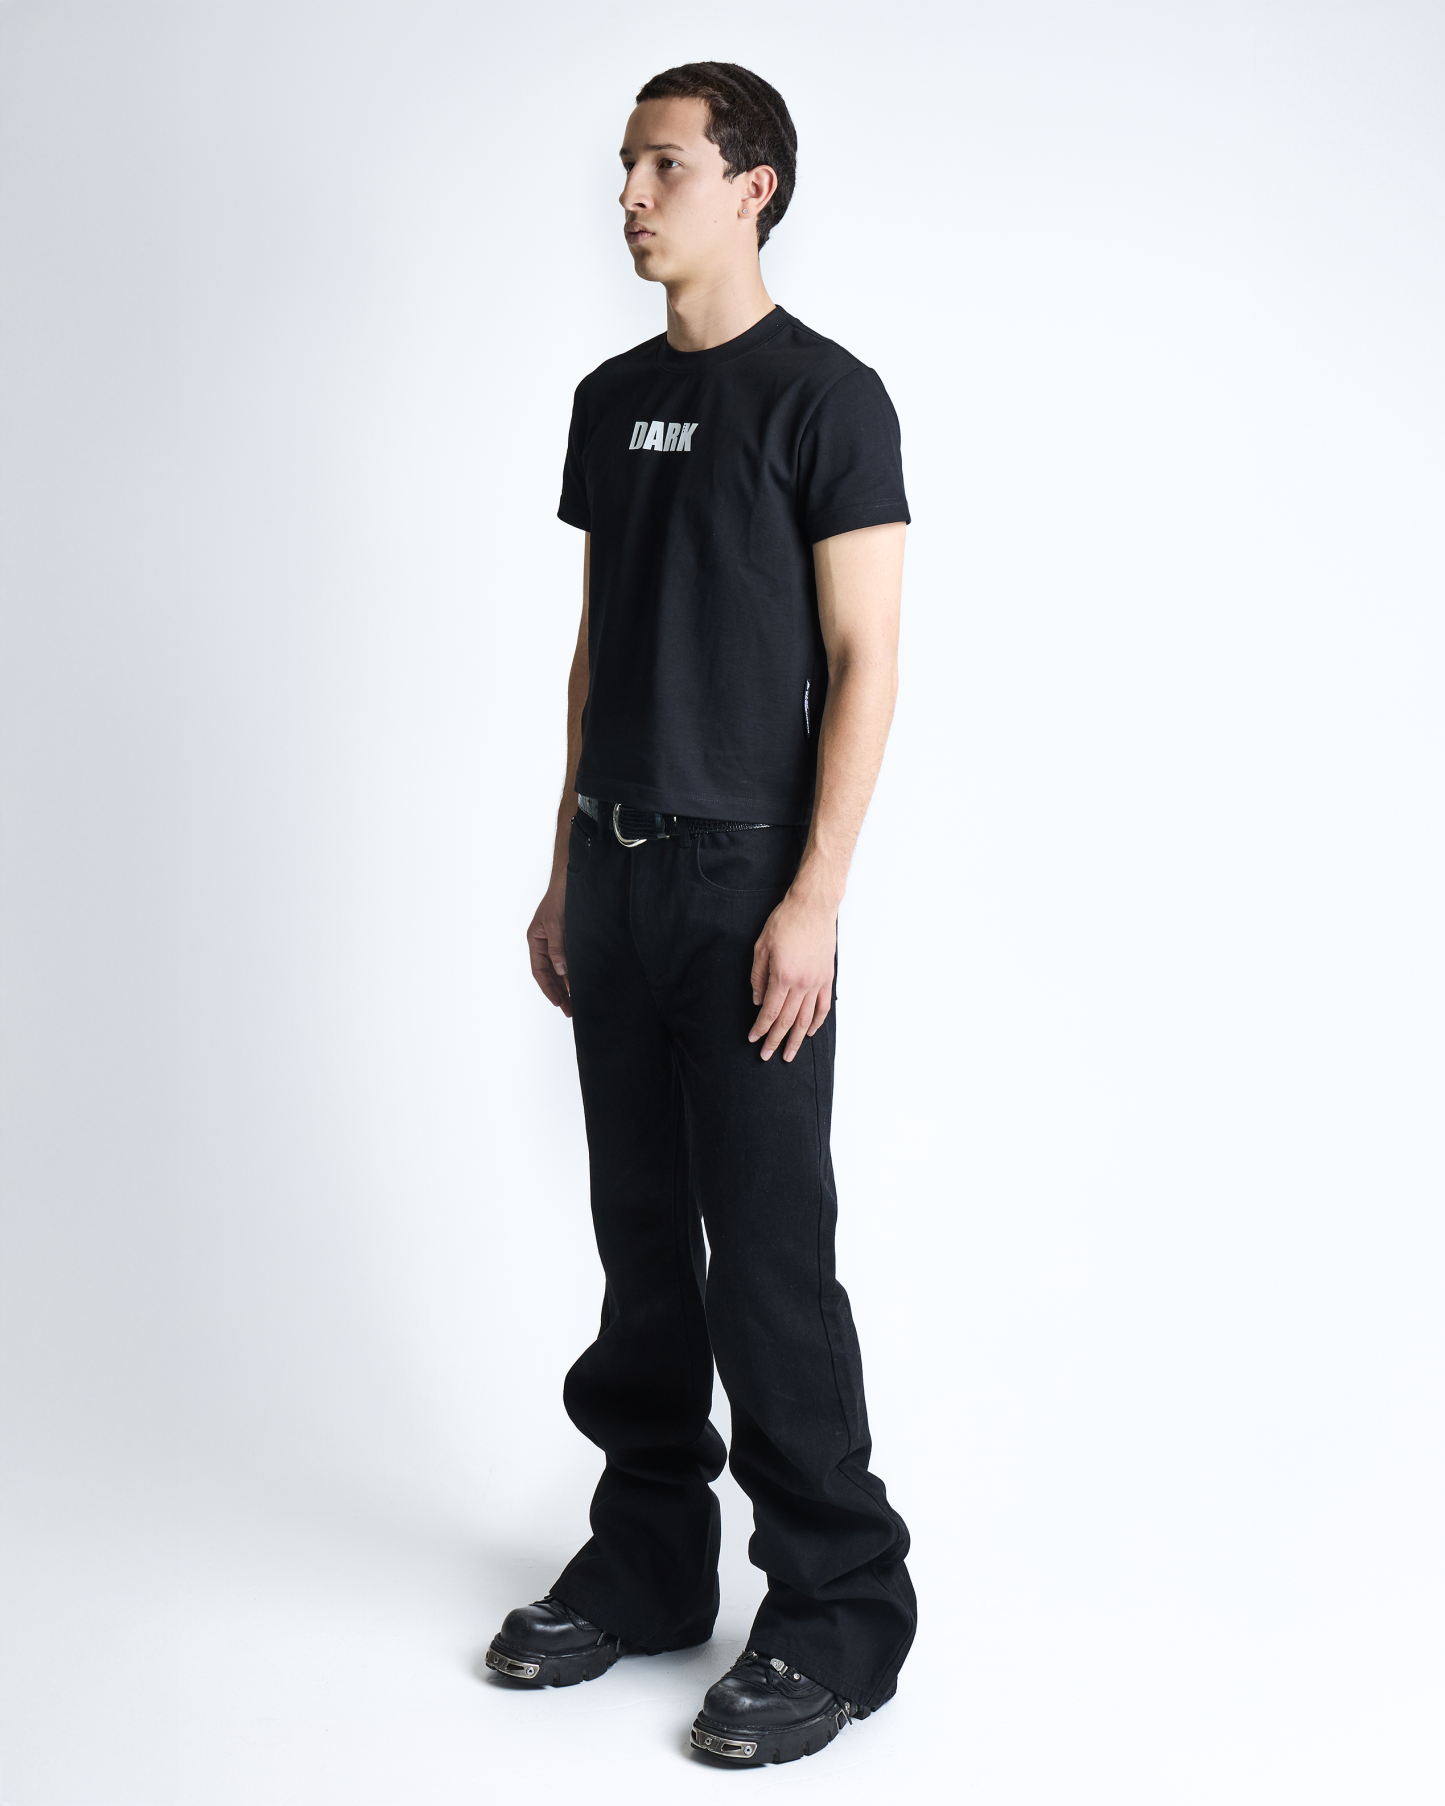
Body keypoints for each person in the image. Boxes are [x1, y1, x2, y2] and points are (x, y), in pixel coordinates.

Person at [485, 61, 916, 1768]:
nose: (630, 196)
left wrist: (814, 897)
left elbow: (869, 658)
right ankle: (653, 1559)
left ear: (755, 187)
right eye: (625, 166)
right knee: (643, 1242)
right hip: (618, 869)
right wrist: (561, 864)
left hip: (749, 890)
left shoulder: (830, 399)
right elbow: (597, 649)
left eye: (664, 165)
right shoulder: (610, 400)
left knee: (770, 1261)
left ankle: (838, 1607)